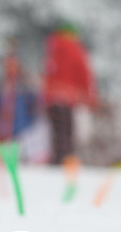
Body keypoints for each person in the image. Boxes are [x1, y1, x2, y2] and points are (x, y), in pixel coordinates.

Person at [42, 23, 97, 165]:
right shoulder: (75, 49)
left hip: (53, 97)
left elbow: (48, 74)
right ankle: (65, 161)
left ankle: (58, 159)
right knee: (67, 132)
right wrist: (91, 98)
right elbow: (84, 74)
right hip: (68, 96)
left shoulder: (53, 49)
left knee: (57, 132)